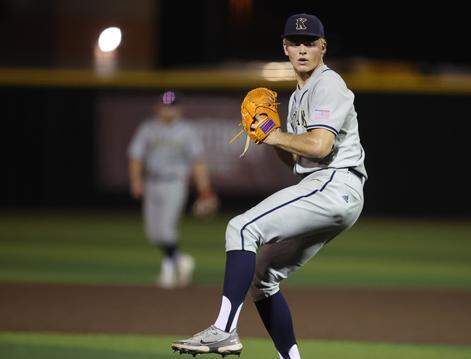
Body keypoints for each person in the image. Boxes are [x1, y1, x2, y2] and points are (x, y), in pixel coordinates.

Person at [171, 13, 366, 358]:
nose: (302, 49)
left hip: (335, 182)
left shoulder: (328, 84)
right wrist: (270, 137)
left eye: (310, 43)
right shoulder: (295, 99)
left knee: (241, 227)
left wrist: (275, 133)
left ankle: (224, 331)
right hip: (326, 188)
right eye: (295, 42)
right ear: (285, 48)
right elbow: (295, 162)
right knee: (262, 278)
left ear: (323, 47)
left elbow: (320, 147)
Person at [128, 90, 219, 289]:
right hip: (151, 182)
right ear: (157, 107)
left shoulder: (187, 131)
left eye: (172, 107)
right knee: (153, 233)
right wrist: (135, 180)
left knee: (167, 228)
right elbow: (136, 156)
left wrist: (205, 190)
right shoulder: (148, 128)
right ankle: (181, 260)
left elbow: (198, 162)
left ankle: (168, 271)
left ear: (179, 109)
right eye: (165, 106)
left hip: (174, 183)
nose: (168, 110)